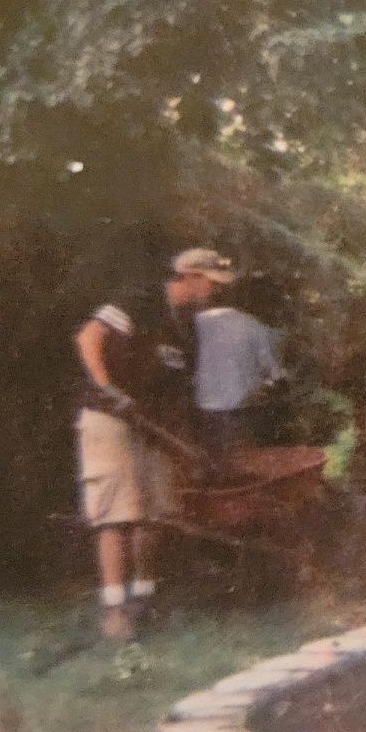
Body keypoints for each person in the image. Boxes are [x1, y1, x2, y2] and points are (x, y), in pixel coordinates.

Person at [73, 246, 237, 640]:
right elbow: (88, 338)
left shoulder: (184, 328)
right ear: (191, 277)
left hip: (150, 427)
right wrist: (107, 388)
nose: (213, 293)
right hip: (109, 418)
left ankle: (143, 599)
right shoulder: (140, 302)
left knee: (156, 511)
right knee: (115, 511)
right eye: (211, 284)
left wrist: (184, 439)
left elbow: (180, 390)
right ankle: (114, 610)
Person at [193, 275, 289, 458]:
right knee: (241, 463)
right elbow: (275, 373)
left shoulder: (199, 321)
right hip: (239, 413)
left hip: (201, 412)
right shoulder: (254, 327)